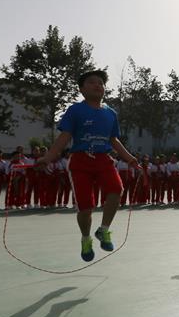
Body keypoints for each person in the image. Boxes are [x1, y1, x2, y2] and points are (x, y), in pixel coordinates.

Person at [37, 70, 138, 261]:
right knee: (85, 207)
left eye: (100, 82)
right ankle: (85, 238)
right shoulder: (75, 110)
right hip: (80, 161)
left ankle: (104, 230)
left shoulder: (110, 113)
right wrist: (48, 157)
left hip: (103, 160)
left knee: (116, 190)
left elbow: (113, 139)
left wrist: (130, 158)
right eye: (91, 82)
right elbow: (65, 137)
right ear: (82, 89)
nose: (97, 85)